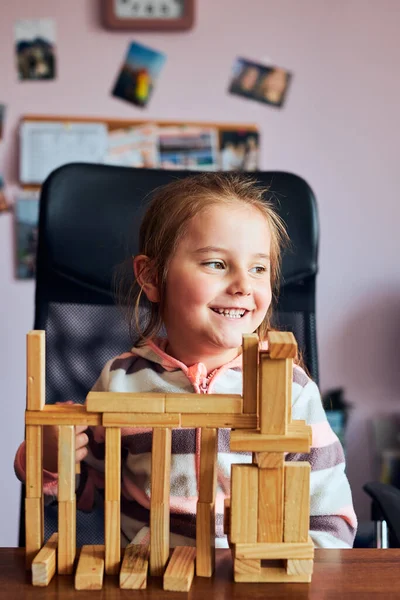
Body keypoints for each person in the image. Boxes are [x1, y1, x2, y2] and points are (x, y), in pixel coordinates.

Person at [14, 173, 357, 549]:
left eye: (259, 268)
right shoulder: (121, 381)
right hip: (148, 580)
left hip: (251, 584)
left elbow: (330, 520)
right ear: (151, 276)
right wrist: (50, 458)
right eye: (216, 263)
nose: (244, 284)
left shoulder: (292, 391)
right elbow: (88, 490)